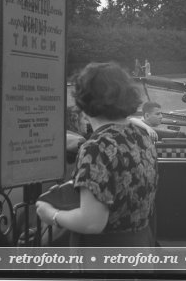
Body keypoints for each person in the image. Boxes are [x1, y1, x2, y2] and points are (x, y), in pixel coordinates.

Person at [36, 62, 158, 247]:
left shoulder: (96, 147)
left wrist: (51, 215)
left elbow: (92, 222)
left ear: (84, 100)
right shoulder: (142, 136)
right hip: (142, 246)